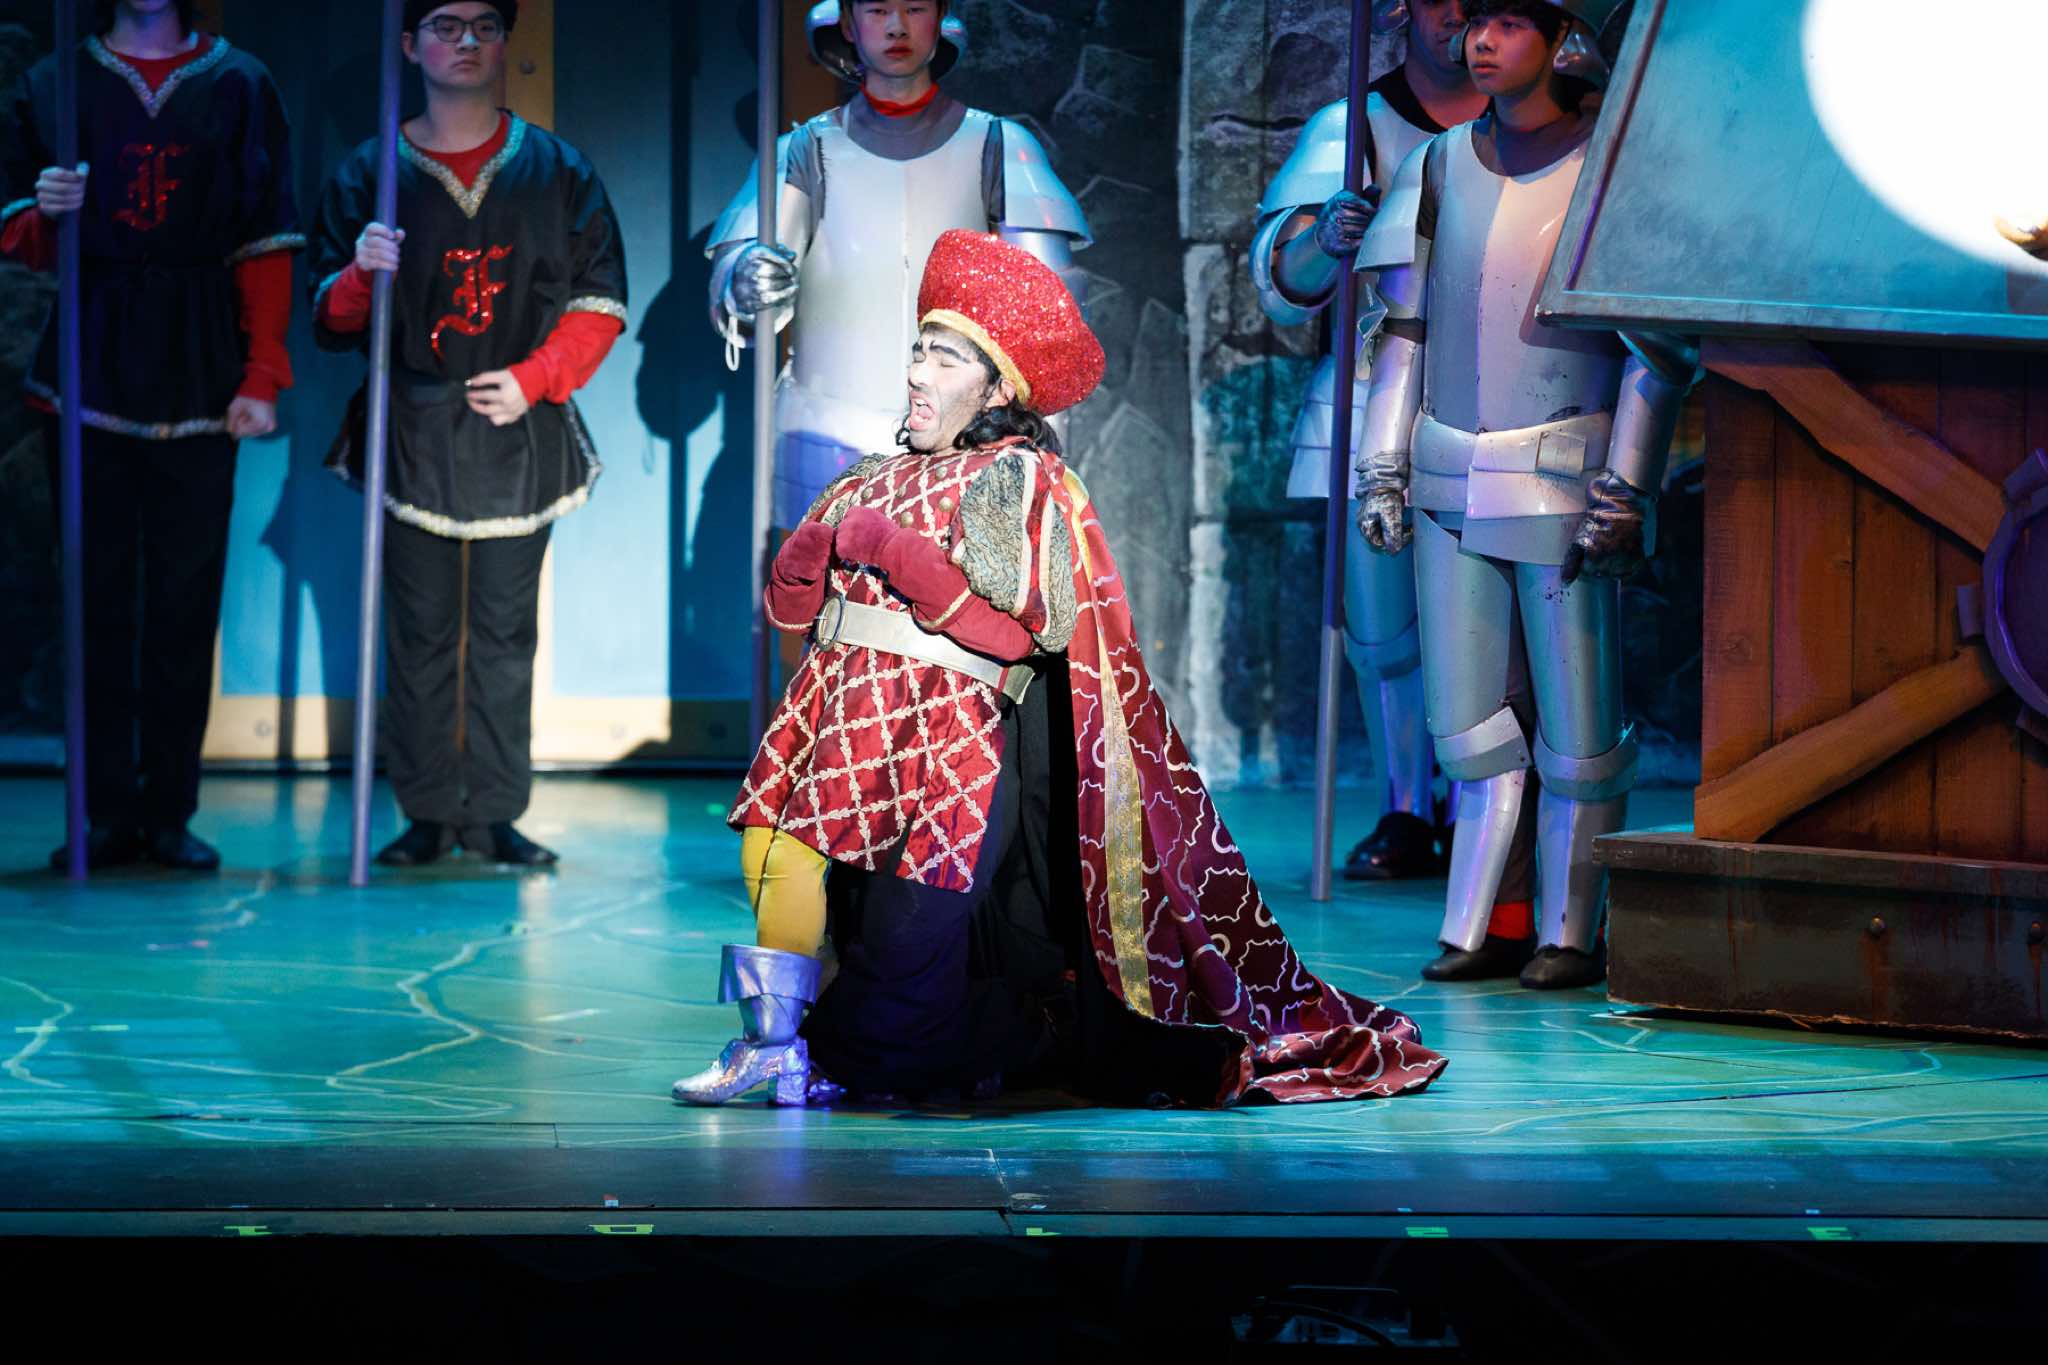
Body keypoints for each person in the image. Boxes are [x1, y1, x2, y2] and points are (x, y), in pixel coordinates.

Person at [675, 230, 1446, 1107]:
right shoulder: (868, 475)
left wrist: (899, 555)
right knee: (777, 861)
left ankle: (1044, 1033)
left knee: (891, 1025)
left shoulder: (1017, 476)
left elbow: (1029, 628)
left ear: (998, 387)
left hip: (943, 754)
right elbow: (795, 614)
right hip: (838, 730)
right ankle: (772, 1045)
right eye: (919, 350)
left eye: (946, 359)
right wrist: (798, 567)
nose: (919, 373)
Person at [1355, 0, 1695, 989]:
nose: (1480, 41)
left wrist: (1626, 484)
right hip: (1446, 472)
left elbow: (1652, 347)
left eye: (1507, 21)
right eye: (1475, 21)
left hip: (1564, 476)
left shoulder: (1608, 169)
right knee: (1470, 728)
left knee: (1577, 732)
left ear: (1560, 36)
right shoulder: (1435, 166)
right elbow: (1402, 332)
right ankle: (1485, 923)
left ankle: (1569, 931)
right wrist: (1381, 465)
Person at [308, 0, 627, 867]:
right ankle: (424, 810)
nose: (466, 43)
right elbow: (328, 317)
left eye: (484, 26)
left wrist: (536, 376)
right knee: (417, 631)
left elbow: (600, 297)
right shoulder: (371, 173)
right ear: (411, 44)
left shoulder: (557, 170)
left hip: (517, 427)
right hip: (412, 426)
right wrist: (359, 274)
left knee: (503, 631)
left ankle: (492, 810)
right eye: (445, 27)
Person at [3, 0, 301, 871]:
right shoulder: (57, 81)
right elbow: (21, 233)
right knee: (93, 598)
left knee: (183, 598)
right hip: (91, 354)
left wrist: (260, 371)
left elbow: (265, 236)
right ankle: (102, 812)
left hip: (200, 353)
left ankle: (168, 808)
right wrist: (46, 211)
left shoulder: (239, 82)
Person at [1250, 0, 1484, 883]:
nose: (1458, 13)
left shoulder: (1535, 129)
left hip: (1503, 397)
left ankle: (1482, 806)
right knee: (1383, 631)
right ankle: (1407, 804)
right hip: (1372, 388)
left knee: (1487, 626)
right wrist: (1325, 234)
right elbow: (1282, 281)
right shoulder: (1355, 127)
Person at [706, 0, 1090, 536]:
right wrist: (747, 279)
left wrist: (1035, 442)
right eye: (878, 9)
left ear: (939, 16)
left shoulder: (999, 146)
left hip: (964, 447)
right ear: (847, 22)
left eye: (913, 7)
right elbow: (750, 277)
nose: (896, 26)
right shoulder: (803, 150)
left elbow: (1047, 311)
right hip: (825, 436)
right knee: (820, 581)